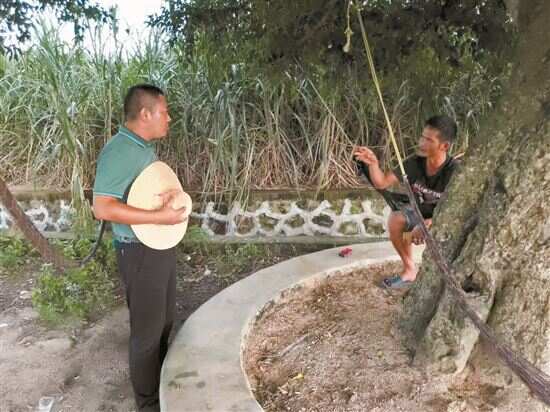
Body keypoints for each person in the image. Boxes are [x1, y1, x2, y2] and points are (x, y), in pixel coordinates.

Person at [92, 84, 187, 412]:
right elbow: (102, 207)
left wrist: (162, 200)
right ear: (145, 114)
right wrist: (159, 216)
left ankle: (161, 386)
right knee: (147, 334)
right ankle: (148, 405)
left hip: (156, 244)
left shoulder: (140, 148)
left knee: (164, 322)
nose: (169, 118)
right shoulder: (120, 151)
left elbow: (137, 193)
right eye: (164, 112)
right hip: (138, 251)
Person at [354, 115, 458, 288]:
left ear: (444, 146)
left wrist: (427, 225)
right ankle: (410, 270)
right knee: (396, 220)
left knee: (425, 239)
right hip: (420, 218)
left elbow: (456, 211)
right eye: (422, 137)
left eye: (428, 140)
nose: (421, 143)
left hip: (445, 222)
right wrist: (373, 164)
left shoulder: (455, 171)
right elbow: (382, 182)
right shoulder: (414, 163)